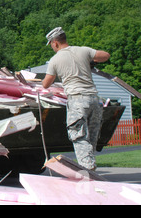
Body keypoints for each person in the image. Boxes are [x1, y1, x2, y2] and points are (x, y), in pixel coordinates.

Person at [42, 27, 110, 170]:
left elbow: (46, 84)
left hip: (77, 100)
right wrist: (91, 61)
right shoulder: (83, 51)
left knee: (79, 136)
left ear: (55, 43)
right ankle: (90, 167)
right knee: (91, 137)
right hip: (94, 99)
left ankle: (87, 170)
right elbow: (105, 55)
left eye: (51, 46)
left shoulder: (55, 60)